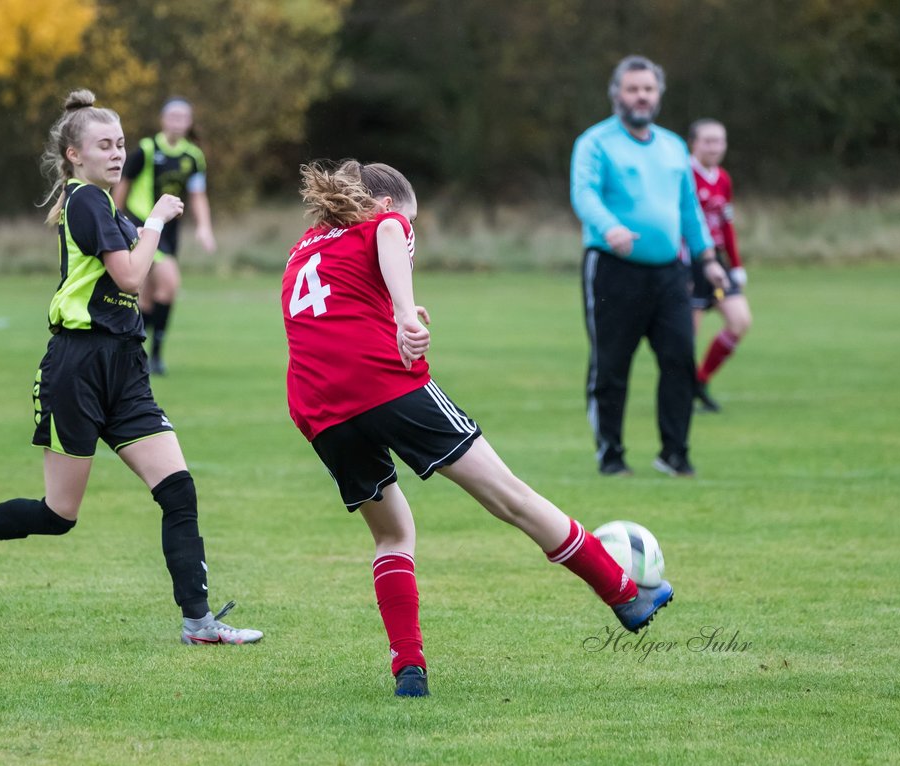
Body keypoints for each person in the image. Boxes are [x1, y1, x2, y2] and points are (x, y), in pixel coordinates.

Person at [280, 159, 675, 698]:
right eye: (411, 221)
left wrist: (393, 307)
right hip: (383, 383)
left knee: (393, 534)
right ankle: (625, 592)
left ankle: (409, 669)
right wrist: (404, 317)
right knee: (510, 497)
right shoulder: (388, 223)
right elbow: (392, 239)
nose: (412, 232)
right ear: (388, 206)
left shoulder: (308, 245)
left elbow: (335, 306)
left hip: (318, 407)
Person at [0, 89, 261, 646]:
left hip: (124, 367)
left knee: (177, 489)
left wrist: (150, 232)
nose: (117, 153)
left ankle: (198, 622)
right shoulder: (85, 200)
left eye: (122, 144)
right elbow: (132, 277)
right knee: (59, 514)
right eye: (104, 145)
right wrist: (154, 221)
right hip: (77, 368)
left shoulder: (107, 207)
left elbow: (139, 275)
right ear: (74, 156)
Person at [570, 55, 728, 478]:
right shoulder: (595, 142)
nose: (641, 96)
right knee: (611, 365)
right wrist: (611, 227)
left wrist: (708, 259)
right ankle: (611, 455)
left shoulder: (674, 146)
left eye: (648, 89)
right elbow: (584, 194)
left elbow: (688, 208)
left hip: (671, 272)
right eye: (633, 88)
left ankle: (674, 454)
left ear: (659, 94)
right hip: (612, 269)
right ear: (616, 94)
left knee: (679, 359)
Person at [113, 97, 216, 376]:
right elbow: (123, 185)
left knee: (147, 297)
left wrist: (204, 227)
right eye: (172, 116)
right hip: (142, 225)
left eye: (183, 117)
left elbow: (197, 194)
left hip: (169, 231)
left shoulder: (193, 156)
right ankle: (152, 355)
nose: (177, 122)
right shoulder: (147, 149)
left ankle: (138, 353)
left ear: (190, 122)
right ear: (163, 120)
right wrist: (117, 220)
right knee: (169, 284)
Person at [687, 118, 752, 413]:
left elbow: (726, 225)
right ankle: (681, 390)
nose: (715, 147)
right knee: (686, 337)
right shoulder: (684, 175)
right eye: (708, 141)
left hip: (719, 267)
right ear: (694, 143)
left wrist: (735, 265)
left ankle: (699, 380)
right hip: (690, 265)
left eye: (720, 141)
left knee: (739, 321)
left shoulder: (723, 178)